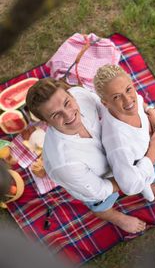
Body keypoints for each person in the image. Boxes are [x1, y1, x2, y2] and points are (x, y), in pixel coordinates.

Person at [26, 78, 148, 234]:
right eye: (56, 115)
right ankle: (114, 216)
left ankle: (147, 181)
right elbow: (99, 190)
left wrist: (148, 112)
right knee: (99, 204)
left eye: (67, 103)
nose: (68, 114)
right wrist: (131, 174)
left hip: (117, 155)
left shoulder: (80, 95)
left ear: (70, 95)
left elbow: (107, 107)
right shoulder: (64, 164)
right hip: (98, 184)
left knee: (142, 163)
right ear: (46, 122)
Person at [93, 64, 155, 202]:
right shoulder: (119, 145)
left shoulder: (130, 100)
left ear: (132, 84)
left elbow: (138, 99)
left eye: (128, 89)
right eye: (117, 97)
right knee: (146, 176)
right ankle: (150, 187)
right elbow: (130, 185)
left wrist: (150, 110)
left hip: (144, 150)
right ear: (105, 103)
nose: (128, 100)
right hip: (135, 166)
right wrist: (154, 150)